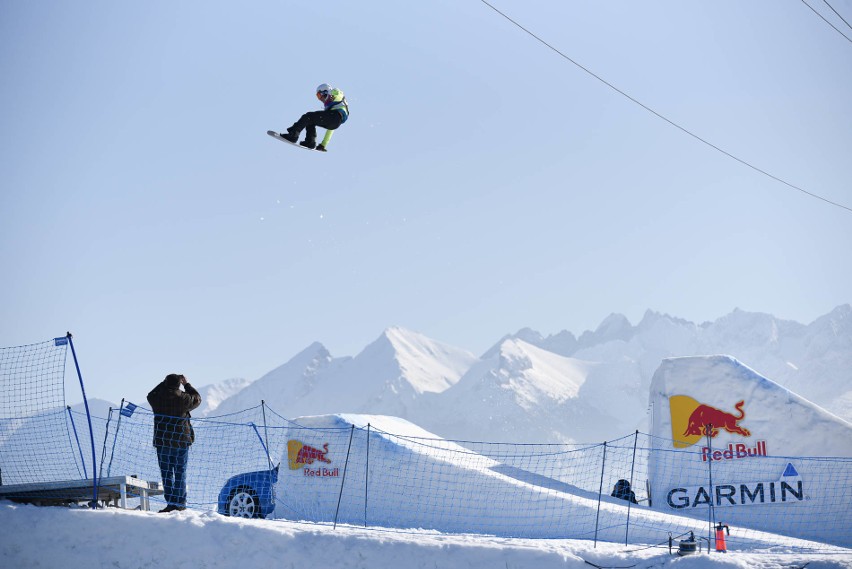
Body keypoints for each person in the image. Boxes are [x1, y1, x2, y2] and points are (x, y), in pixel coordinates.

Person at [147, 373, 201, 513]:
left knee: (166, 474)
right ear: (179, 384)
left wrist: (163, 383)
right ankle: (180, 504)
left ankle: (171, 503)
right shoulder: (183, 398)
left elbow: (150, 394)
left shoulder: (158, 398)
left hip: (162, 441)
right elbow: (197, 398)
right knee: (180, 472)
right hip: (181, 441)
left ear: (165, 383)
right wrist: (187, 385)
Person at [280, 83, 349, 152]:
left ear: (325, 92)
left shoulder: (334, 94)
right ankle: (310, 142)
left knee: (308, 116)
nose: (320, 98)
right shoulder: (332, 108)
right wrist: (323, 144)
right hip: (335, 122)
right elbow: (331, 128)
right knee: (310, 120)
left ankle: (293, 135)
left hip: (335, 116)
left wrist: (332, 94)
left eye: (319, 95)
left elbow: (339, 94)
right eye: (318, 96)